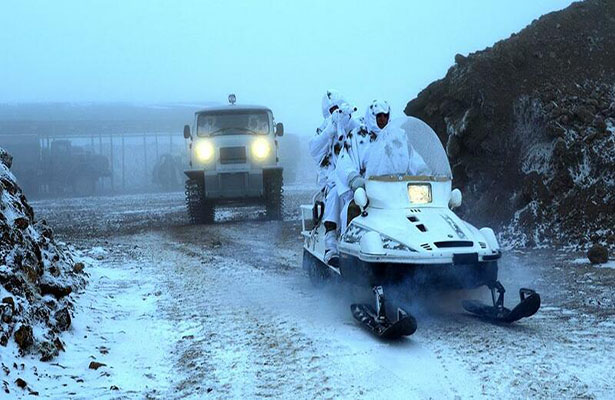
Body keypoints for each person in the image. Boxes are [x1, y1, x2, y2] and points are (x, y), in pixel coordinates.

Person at [309, 89, 359, 266]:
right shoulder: (325, 129)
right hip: (333, 179)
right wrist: (331, 129)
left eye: (337, 109)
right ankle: (332, 243)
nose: (335, 114)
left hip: (357, 174)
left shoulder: (356, 126)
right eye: (331, 111)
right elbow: (314, 150)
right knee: (335, 195)